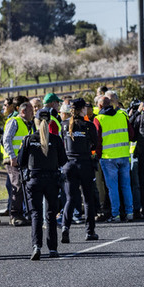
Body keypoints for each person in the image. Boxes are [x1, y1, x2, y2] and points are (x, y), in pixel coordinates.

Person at [18, 109, 68, 260]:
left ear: (36, 120)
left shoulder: (28, 139)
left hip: (34, 179)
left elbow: (21, 161)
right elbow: (63, 161)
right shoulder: (56, 139)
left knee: (36, 214)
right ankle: (53, 248)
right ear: (50, 121)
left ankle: (36, 246)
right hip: (52, 179)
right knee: (51, 215)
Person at [60, 99, 101, 243]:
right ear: (82, 109)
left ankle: (65, 227)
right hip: (84, 164)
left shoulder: (64, 125)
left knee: (70, 199)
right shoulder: (88, 125)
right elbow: (95, 144)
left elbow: (61, 144)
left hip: (69, 164)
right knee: (88, 199)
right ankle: (90, 232)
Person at [94, 92, 135, 222]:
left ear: (100, 105)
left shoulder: (98, 119)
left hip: (108, 158)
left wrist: (98, 156)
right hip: (124, 155)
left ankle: (115, 214)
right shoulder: (122, 115)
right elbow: (132, 135)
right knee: (126, 186)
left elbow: (97, 141)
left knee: (113, 188)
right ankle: (130, 213)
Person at [2, 100, 35, 226]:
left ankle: (23, 214)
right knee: (17, 186)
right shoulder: (15, 122)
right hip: (13, 161)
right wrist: (12, 156)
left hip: (23, 161)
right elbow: (7, 140)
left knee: (24, 187)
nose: (33, 112)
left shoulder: (28, 124)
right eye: (31, 110)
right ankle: (15, 215)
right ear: (23, 111)